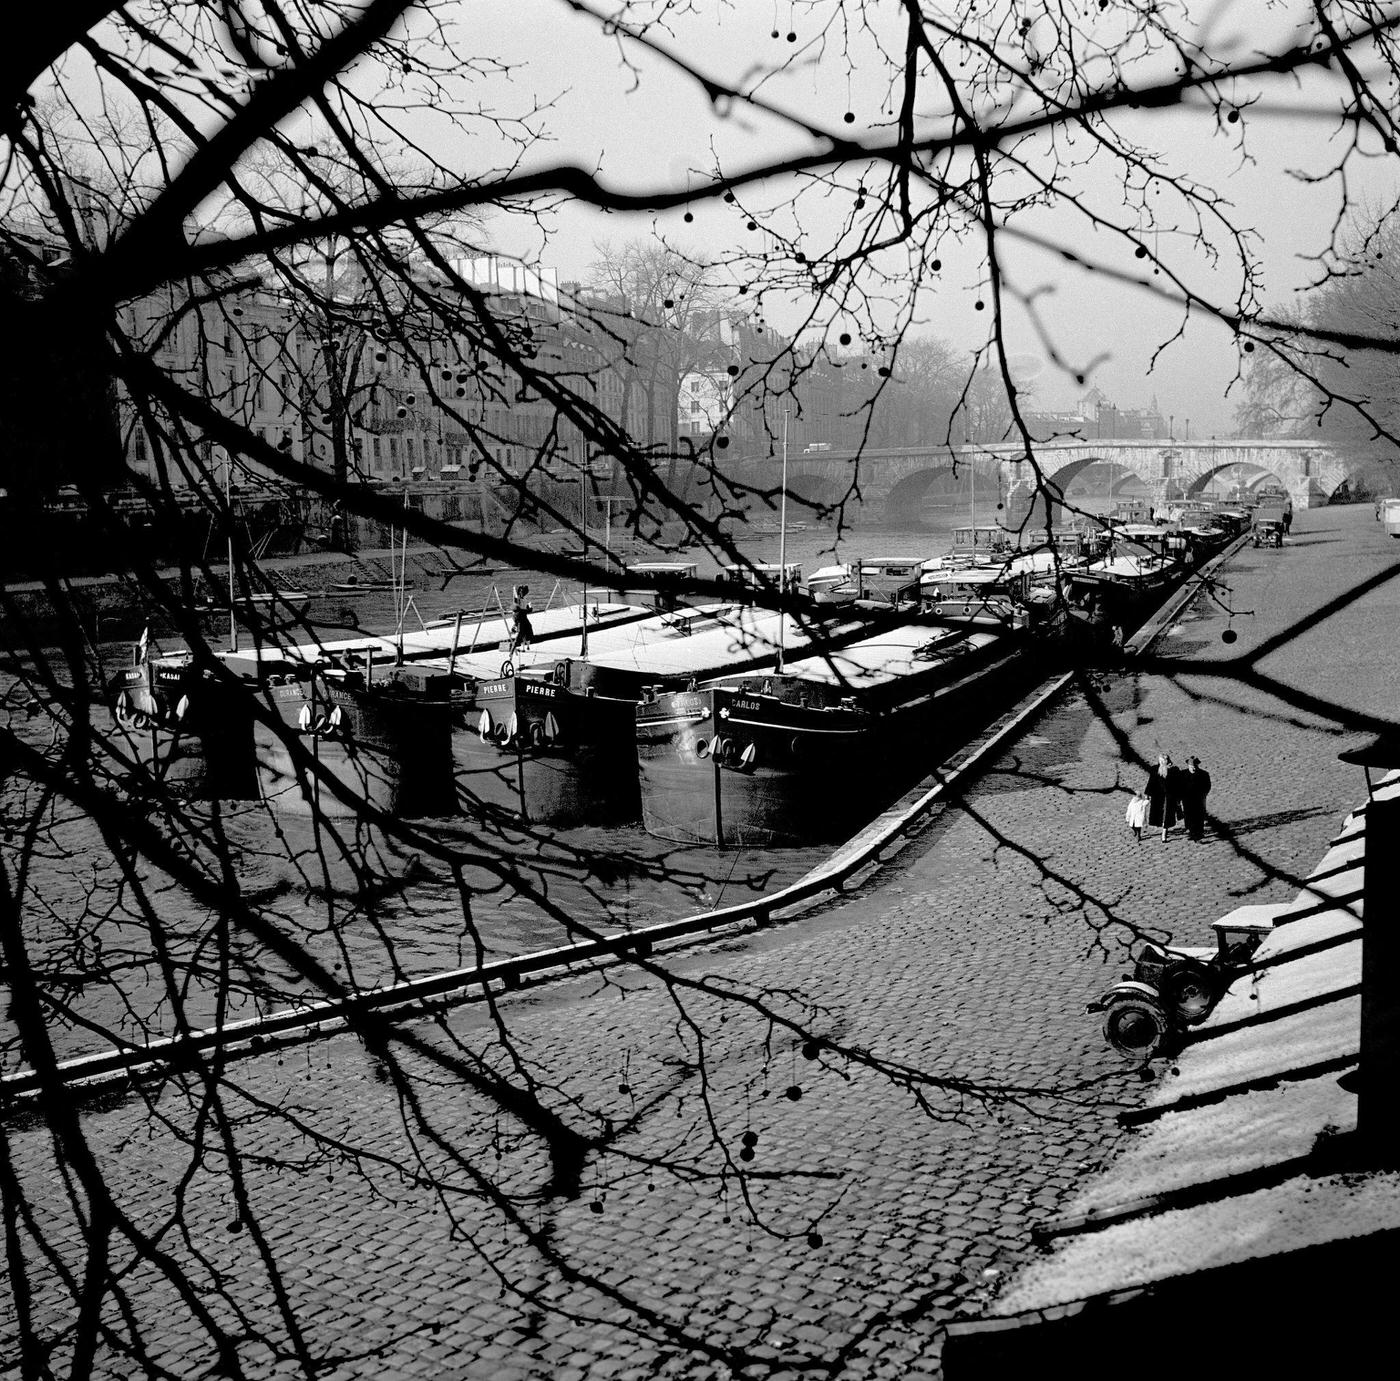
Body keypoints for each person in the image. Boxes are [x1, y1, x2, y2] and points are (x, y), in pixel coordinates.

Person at [1145, 753, 1179, 840]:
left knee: (1167, 814)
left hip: (1169, 797)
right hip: (1158, 796)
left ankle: (1164, 833)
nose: (1161, 763)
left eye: (1163, 761)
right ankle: (1164, 829)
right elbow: (1151, 782)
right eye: (1160, 761)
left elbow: (1178, 785)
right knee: (1159, 814)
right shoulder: (1155, 769)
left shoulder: (1173, 770)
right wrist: (1148, 795)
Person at [1179, 755, 1212, 840]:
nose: (1193, 768)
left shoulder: (1204, 774)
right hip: (1187, 799)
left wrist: (1203, 794)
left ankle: (1199, 832)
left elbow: (1207, 786)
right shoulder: (1183, 774)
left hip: (1199, 799)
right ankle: (1191, 832)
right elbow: (1179, 786)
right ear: (1188, 766)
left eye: (1194, 766)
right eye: (1191, 766)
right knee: (1188, 815)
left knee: (1199, 815)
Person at [510, 583, 534, 656]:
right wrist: (514, 589)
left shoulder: (524, 599)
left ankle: (525, 641)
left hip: (523, 616)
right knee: (521, 631)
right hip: (519, 616)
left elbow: (526, 608)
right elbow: (515, 598)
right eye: (522, 592)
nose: (523, 594)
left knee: (528, 627)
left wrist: (529, 607)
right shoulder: (518, 599)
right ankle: (513, 647)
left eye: (524, 593)